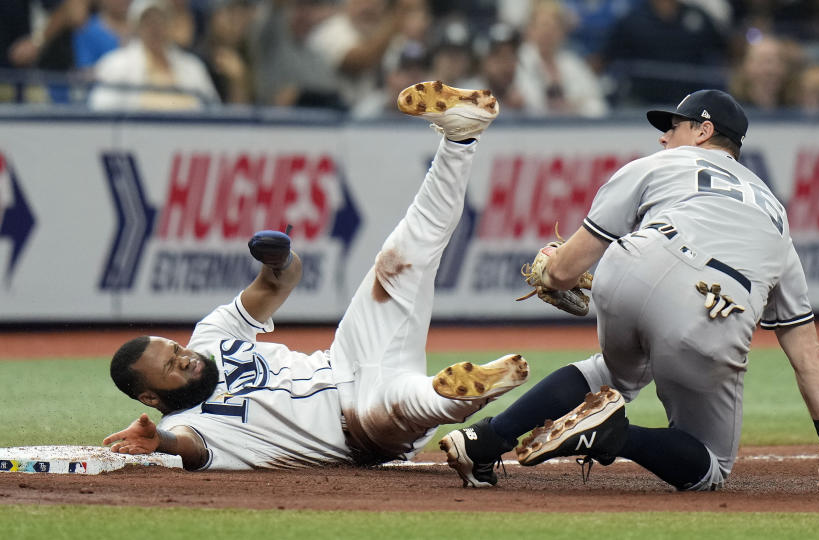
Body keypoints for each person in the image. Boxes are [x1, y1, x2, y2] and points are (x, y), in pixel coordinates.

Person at [440, 89, 819, 491]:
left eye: (674, 127)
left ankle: (484, 439)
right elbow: (805, 350)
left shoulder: (654, 165)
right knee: (712, 465)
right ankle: (614, 435)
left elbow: (563, 272)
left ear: (703, 132)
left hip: (631, 263)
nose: (664, 137)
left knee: (608, 374)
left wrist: (554, 273)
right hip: (713, 304)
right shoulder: (776, 216)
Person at [103, 81, 528, 470]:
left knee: (401, 256)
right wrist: (158, 440)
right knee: (405, 402)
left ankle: (461, 136)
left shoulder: (211, 337)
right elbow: (188, 446)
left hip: (346, 358)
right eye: (172, 367)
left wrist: (279, 260)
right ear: (150, 397)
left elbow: (278, 283)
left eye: (175, 350)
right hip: (359, 429)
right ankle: (466, 391)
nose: (185, 357)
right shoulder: (195, 423)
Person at [87, 0, 219, 110]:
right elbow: (100, 108)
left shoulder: (192, 66)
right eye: (148, 21)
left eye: (161, 20)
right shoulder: (115, 64)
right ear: (136, 26)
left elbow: (213, 109)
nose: (155, 28)